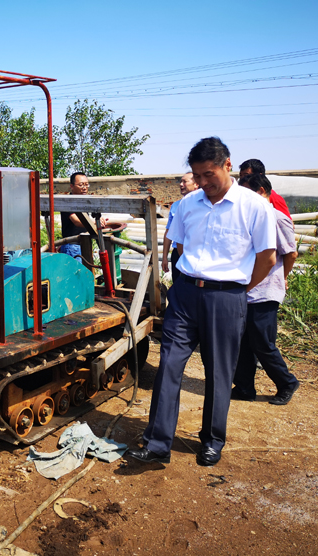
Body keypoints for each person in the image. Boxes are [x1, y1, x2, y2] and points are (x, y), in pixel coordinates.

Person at [126, 137, 276, 468]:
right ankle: (158, 443)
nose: (204, 182)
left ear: (227, 165)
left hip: (227, 297)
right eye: (197, 175)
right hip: (185, 295)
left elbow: (267, 258)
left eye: (209, 174)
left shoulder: (255, 207)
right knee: (169, 365)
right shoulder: (188, 205)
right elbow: (180, 246)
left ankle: (211, 440)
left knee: (219, 371)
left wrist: (238, 291)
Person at [232, 173, 300, 405]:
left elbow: (291, 253)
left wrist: (282, 278)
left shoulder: (277, 218)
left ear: (260, 191)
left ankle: (287, 382)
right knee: (243, 343)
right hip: (247, 290)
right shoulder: (251, 217)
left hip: (265, 291)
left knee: (262, 343)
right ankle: (244, 388)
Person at [59, 172, 108, 259]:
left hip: (85, 244)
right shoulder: (67, 202)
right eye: (81, 185)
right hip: (72, 246)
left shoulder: (84, 201)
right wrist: (95, 222)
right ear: (71, 186)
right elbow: (77, 221)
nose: (84, 188)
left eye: (86, 184)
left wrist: (100, 220)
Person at [161, 172, 199, 284]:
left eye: (185, 182)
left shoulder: (202, 205)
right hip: (177, 253)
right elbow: (169, 232)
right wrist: (164, 257)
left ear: (196, 184)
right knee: (178, 285)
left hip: (193, 252)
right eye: (180, 181)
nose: (181, 184)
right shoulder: (175, 206)